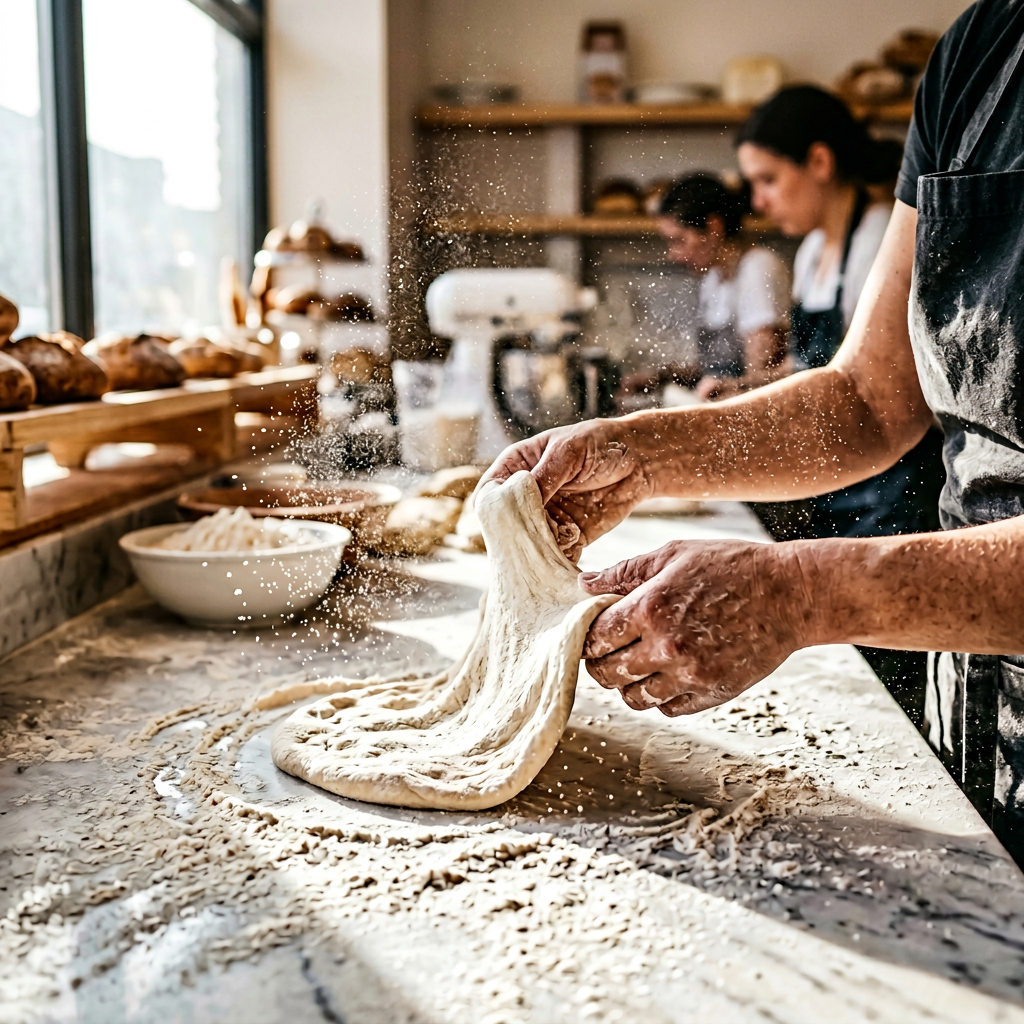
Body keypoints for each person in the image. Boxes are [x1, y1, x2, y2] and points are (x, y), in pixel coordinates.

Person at [483, 0, 1024, 863]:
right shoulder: (975, 60)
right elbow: (867, 401)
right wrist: (639, 453)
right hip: (973, 684)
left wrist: (806, 593)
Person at [653, 174, 790, 400]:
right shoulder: (713, 278)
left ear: (713, 228)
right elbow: (716, 367)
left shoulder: (758, 269)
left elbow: (761, 376)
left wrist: (725, 390)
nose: (672, 255)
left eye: (679, 241)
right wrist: (660, 377)